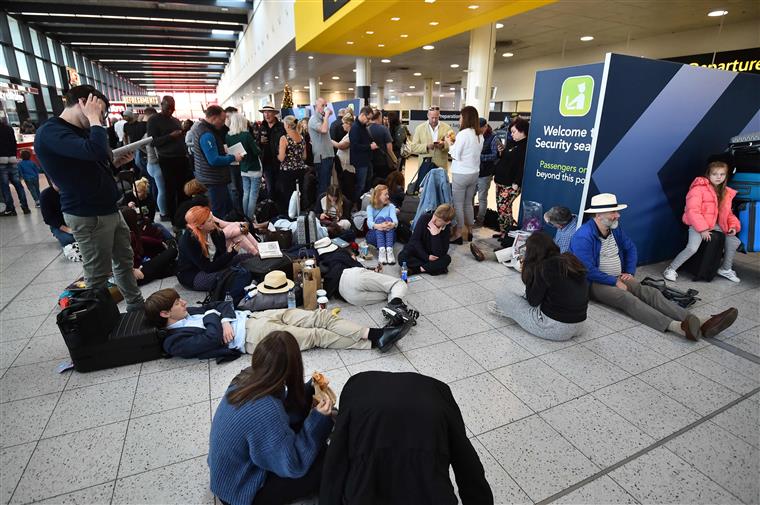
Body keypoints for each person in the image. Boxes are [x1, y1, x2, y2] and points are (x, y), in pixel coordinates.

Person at [569, 193, 738, 340]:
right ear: (599, 215)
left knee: (650, 292)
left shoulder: (614, 229)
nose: (618, 215)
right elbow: (587, 269)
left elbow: (630, 248)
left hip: (617, 276)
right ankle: (676, 326)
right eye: (613, 212)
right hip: (594, 283)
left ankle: (698, 321)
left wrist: (629, 271)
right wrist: (613, 282)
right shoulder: (583, 236)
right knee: (626, 298)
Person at [34, 85, 144, 311]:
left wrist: (114, 163)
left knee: (124, 263)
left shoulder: (81, 131)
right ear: (83, 102)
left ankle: (137, 309)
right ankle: (102, 323)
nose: (101, 119)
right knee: (97, 276)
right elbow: (94, 151)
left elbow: (91, 164)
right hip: (87, 214)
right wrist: (94, 119)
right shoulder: (51, 132)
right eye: (99, 111)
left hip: (109, 209)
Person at [320, 371, 494, 505]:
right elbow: (467, 464)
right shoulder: (439, 396)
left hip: (364, 489)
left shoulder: (355, 389)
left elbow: (335, 465)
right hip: (429, 490)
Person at [207, 332, 334, 505]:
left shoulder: (247, 378)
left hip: (229, 478)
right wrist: (318, 421)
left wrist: (308, 390)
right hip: (241, 493)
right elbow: (294, 465)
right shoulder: (266, 408)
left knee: (309, 438)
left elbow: (285, 411)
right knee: (325, 459)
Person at [145, 286, 412, 358]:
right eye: (177, 304)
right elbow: (211, 337)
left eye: (181, 300)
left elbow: (219, 304)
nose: (183, 303)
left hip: (253, 317)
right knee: (315, 336)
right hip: (252, 337)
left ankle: (376, 334)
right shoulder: (174, 342)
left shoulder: (187, 312)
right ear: (165, 315)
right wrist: (218, 318)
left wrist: (220, 316)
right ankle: (375, 341)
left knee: (318, 316)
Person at [490, 233, 588, 341]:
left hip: (556, 329)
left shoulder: (544, 267)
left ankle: (507, 311)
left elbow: (533, 301)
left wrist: (528, 272)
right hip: (580, 325)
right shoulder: (569, 259)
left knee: (502, 294)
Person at [664, 160, 742, 283]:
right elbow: (692, 211)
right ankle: (671, 268)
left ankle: (725, 269)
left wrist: (732, 226)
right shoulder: (698, 189)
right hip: (698, 224)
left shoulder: (725, 192)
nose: (718, 177)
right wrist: (703, 229)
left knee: (734, 241)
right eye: (715, 174)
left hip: (715, 225)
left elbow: (728, 213)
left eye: (722, 174)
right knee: (692, 248)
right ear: (708, 174)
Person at [315, 237, 415, 318]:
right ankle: (397, 306)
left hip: (348, 297)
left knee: (388, 293)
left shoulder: (323, 261)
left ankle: (396, 311)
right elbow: (359, 268)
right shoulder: (341, 253)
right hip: (352, 276)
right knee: (398, 283)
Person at [176, 205, 254, 293]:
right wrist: (231, 253)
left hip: (214, 266)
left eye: (212, 218)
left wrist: (230, 253)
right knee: (233, 275)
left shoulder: (214, 230)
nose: (213, 221)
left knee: (248, 257)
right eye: (210, 220)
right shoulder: (189, 240)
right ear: (201, 226)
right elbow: (208, 268)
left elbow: (222, 258)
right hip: (195, 275)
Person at [189, 105, 243, 218]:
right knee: (219, 213)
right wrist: (233, 158)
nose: (223, 123)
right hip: (213, 180)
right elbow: (213, 160)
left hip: (211, 178)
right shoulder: (207, 134)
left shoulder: (203, 130)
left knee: (223, 210)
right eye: (222, 120)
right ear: (214, 118)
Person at [147, 95, 191, 220]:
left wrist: (182, 133)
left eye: (172, 108)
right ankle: (174, 217)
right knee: (170, 190)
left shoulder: (175, 120)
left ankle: (184, 216)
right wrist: (171, 136)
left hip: (181, 158)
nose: (170, 111)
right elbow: (152, 142)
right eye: (167, 108)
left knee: (184, 190)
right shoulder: (154, 120)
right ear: (161, 105)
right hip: (167, 159)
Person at [446, 105, 483, 243]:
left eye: (460, 117)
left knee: (458, 204)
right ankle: (470, 231)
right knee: (468, 203)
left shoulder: (463, 134)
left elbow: (456, 155)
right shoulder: (479, 135)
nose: (459, 119)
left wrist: (450, 143)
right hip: (474, 173)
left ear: (465, 118)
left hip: (461, 174)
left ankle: (459, 233)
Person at [493, 117, 529, 239]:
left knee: (505, 207)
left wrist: (517, 182)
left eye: (514, 132)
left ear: (522, 131)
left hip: (511, 183)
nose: (512, 134)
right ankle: (503, 231)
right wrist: (501, 152)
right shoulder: (512, 142)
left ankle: (507, 233)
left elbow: (522, 166)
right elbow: (505, 159)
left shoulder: (526, 147)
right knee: (501, 208)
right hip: (501, 181)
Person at [121, 207, 177, 286]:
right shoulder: (130, 236)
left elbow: (150, 242)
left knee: (168, 264)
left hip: (138, 269)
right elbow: (152, 242)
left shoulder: (129, 234)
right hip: (137, 272)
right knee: (172, 251)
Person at [398, 204, 455, 276]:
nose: (433, 221)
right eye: (434, 216)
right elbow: (414, 240)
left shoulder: (446, 229)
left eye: (439, 220)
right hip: (419, 252)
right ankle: (430, 268)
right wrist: (426, 257)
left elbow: (439, 254)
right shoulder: (424, 218)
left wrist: (435, 236)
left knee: (446, 259)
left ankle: (415, 269)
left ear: (447, 222)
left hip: (432, 256)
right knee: (402, 257)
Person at [226, 113, 263, 221]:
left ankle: (245, 217)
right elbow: (256, 151)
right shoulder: (246, 135)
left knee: (246, 193)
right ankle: (250, 218)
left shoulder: (228, 136)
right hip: (254, 167)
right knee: (253, 194)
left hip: (243, 167)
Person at [276, 115, 308, 215]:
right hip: (300, 170)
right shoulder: (302, 137)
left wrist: (277, 155)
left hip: (287, 171)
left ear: (288, 125)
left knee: (288, 194)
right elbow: (304, 157)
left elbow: (281, 158)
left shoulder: (284, 138)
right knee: (299, 192)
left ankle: (290, 215)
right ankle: (299, 213)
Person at [141, 107, 169, 221]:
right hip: (156, 164)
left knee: (157, 189)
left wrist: (148, 154)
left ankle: (160, 210)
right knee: (162, 190)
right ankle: (163, 213)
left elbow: (141, 146)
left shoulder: (146, 133)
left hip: (150, 164)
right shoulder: (154, 134)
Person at [256, 104, 286, 204]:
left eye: (269, 112)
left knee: (281, 187)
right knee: (270, 188)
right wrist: (260, 142)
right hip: (267, 162)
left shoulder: (281, 127)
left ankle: (281, 209)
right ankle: (272, 210)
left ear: (274, 113)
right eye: (265, 112)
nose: (267, 114)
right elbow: (257, 145)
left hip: (280, 162)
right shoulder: (262, 127)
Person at [0, 120, 30, 216]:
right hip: (12, 159)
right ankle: (25, 207)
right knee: (18, 185)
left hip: (1, 160)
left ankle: (11, 209)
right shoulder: (9, 128)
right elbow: (14, 142)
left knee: (5, 187)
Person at [349, 106, 378, 208]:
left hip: (366, 160)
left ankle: (364, 204)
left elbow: (366, 140)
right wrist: (369, 146)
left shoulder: (362, 127)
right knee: (360, 185)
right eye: (368, 118)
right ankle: (356, 205)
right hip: (360, 162)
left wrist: (371, 142)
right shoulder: (355, 128)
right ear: (362, 115)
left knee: (367, 185)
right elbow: (355, 146)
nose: (369, 121)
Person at [409, 106, 454, 171]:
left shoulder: (447, 128)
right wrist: (426, 146)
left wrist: (443, 145)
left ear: (439, 116)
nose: (434, 120)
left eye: (436, 118)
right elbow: (413, 147)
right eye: (432, 118)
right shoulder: (419, 128)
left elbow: (453, 145)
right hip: (424, 166)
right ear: (427, 115)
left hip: (441, 167)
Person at [476, 118, 502, 225]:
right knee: (470, 195)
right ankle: (471, 217)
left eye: (480, 128)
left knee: (482, 197)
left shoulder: (494, 138)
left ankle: (480, 220)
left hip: (485, 173)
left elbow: (495, 156)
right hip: (474, 172)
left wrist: (479, 157)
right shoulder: (476, 136)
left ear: (486, 126)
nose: (478, 130)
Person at [308, 98, 335, 196]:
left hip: (328, 156)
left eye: (326, 105)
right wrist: (327, 116)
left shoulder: (321, 118)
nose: (325, 108)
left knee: (327, 185)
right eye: (322, 105)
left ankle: (324, 207)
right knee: (323, 186)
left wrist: (326, 115)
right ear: (316, 107)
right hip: (321, 158)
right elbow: (324, 130)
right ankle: (319, 209)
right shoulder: (313, 119)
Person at [366, 184, 398, 265]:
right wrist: (379, 226)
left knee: (389, 219)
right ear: (378, 196)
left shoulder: (391, 206)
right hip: (374, 235)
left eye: (388, 194)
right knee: (379, 219)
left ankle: (389, 250)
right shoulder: (370, 207)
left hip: (389, 234)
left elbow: (395, 221)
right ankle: (382, 250)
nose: (388, 196)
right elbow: (369, 223)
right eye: (385, 194)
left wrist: (391, 224)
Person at [331, 113, 355, 200]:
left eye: (343, 123)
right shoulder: (348, 134)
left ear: (348, 124)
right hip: (343, 165)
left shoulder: (351, 135)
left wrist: (330, 140)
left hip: (347, 167)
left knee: (347, 187)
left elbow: (341, 146)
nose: (342, 125)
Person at [368, 109, 396, 184]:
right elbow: (389, 148)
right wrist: (394, 160)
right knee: (384, 183)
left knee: (371, 183)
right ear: (379, 117)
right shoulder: (384, 129)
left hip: (370, 161)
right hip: (382, 161)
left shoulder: (366, 129)